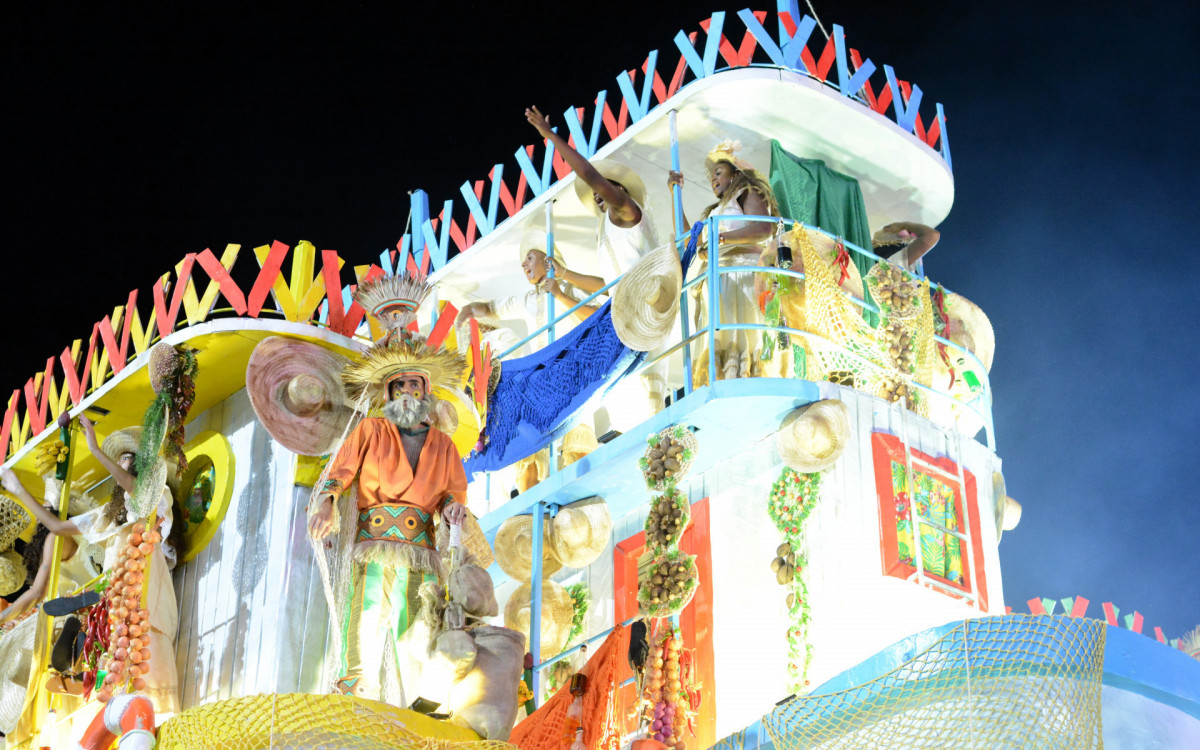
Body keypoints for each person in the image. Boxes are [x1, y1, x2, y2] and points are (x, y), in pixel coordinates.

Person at [308, 335, 472, 699]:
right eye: (400, 386)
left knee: (417, 627)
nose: (408, 393)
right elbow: (341, 470)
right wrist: (327, 502)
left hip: (420, 550)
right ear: (388, 394)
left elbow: (452, 495)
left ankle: (419, 702)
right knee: (365, 612)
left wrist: (452, 509)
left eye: (415, 385)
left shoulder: (444, 445)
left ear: (426, 392)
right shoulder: (371, 429)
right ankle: (355, 692)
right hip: (374, 544)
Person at [0, 416, 180, 716]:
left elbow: (135, 490)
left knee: (148, 661)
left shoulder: (153, 498)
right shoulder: (109, 514)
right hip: (116, 601)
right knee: (117, 665)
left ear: (140, 465)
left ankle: (157, 719)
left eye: (125, 458)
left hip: (145, 592)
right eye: (118, 458)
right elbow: (57, 526)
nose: (119, 464)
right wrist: (18, 489)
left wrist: (95, 449)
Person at [524, 106, 668, 415]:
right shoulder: (609, 228)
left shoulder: (627, 210)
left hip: (644, 309)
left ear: (621, 190)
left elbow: (590, 175)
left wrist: (550, 135)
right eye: (595, 194)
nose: (597, 193)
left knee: (650, 388)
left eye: (604, 188)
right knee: (634, 395)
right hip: (627, 313)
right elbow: (610, 285)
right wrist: (565, 274)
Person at [455, 229, 600, 493]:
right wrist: (468, 310)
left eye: (530, 258)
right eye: (524, 260)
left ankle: (582, 493)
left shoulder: (569, 289)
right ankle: (532, 501)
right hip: (542, 379)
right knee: (530, 442)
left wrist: (560, 294)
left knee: (577, 435)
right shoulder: (528, 299)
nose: (524, 264)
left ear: (548, 259)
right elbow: (492, 308)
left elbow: (597, 311)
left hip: (572, 371)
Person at [668, 139, 780, 382]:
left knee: (747, 336)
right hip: (718, 279)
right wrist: (675, 195)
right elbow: (690, 242)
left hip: (745, 273)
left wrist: (722, 239)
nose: (713, 179)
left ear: (736, 174)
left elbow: (763, 228)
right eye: (712, 176)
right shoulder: (713, 212)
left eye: (719, 172)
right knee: (724, 341)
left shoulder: (747, 192)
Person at [871, 222, 940, 274]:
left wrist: (903, 226)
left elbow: (932, 235)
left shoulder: (896, 262)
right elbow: (932, 235)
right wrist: (903, 225)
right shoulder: (895, 262)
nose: (910, 236)